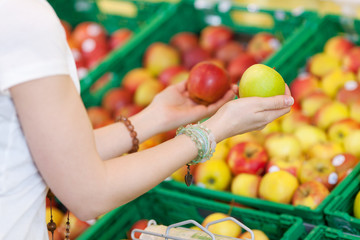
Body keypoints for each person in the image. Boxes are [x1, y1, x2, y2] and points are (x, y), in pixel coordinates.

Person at [0, 0, 294, 239]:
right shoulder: (25, 20)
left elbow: (54, 155)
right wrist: (215, 129)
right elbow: (88, 192)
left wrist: (153, 119)